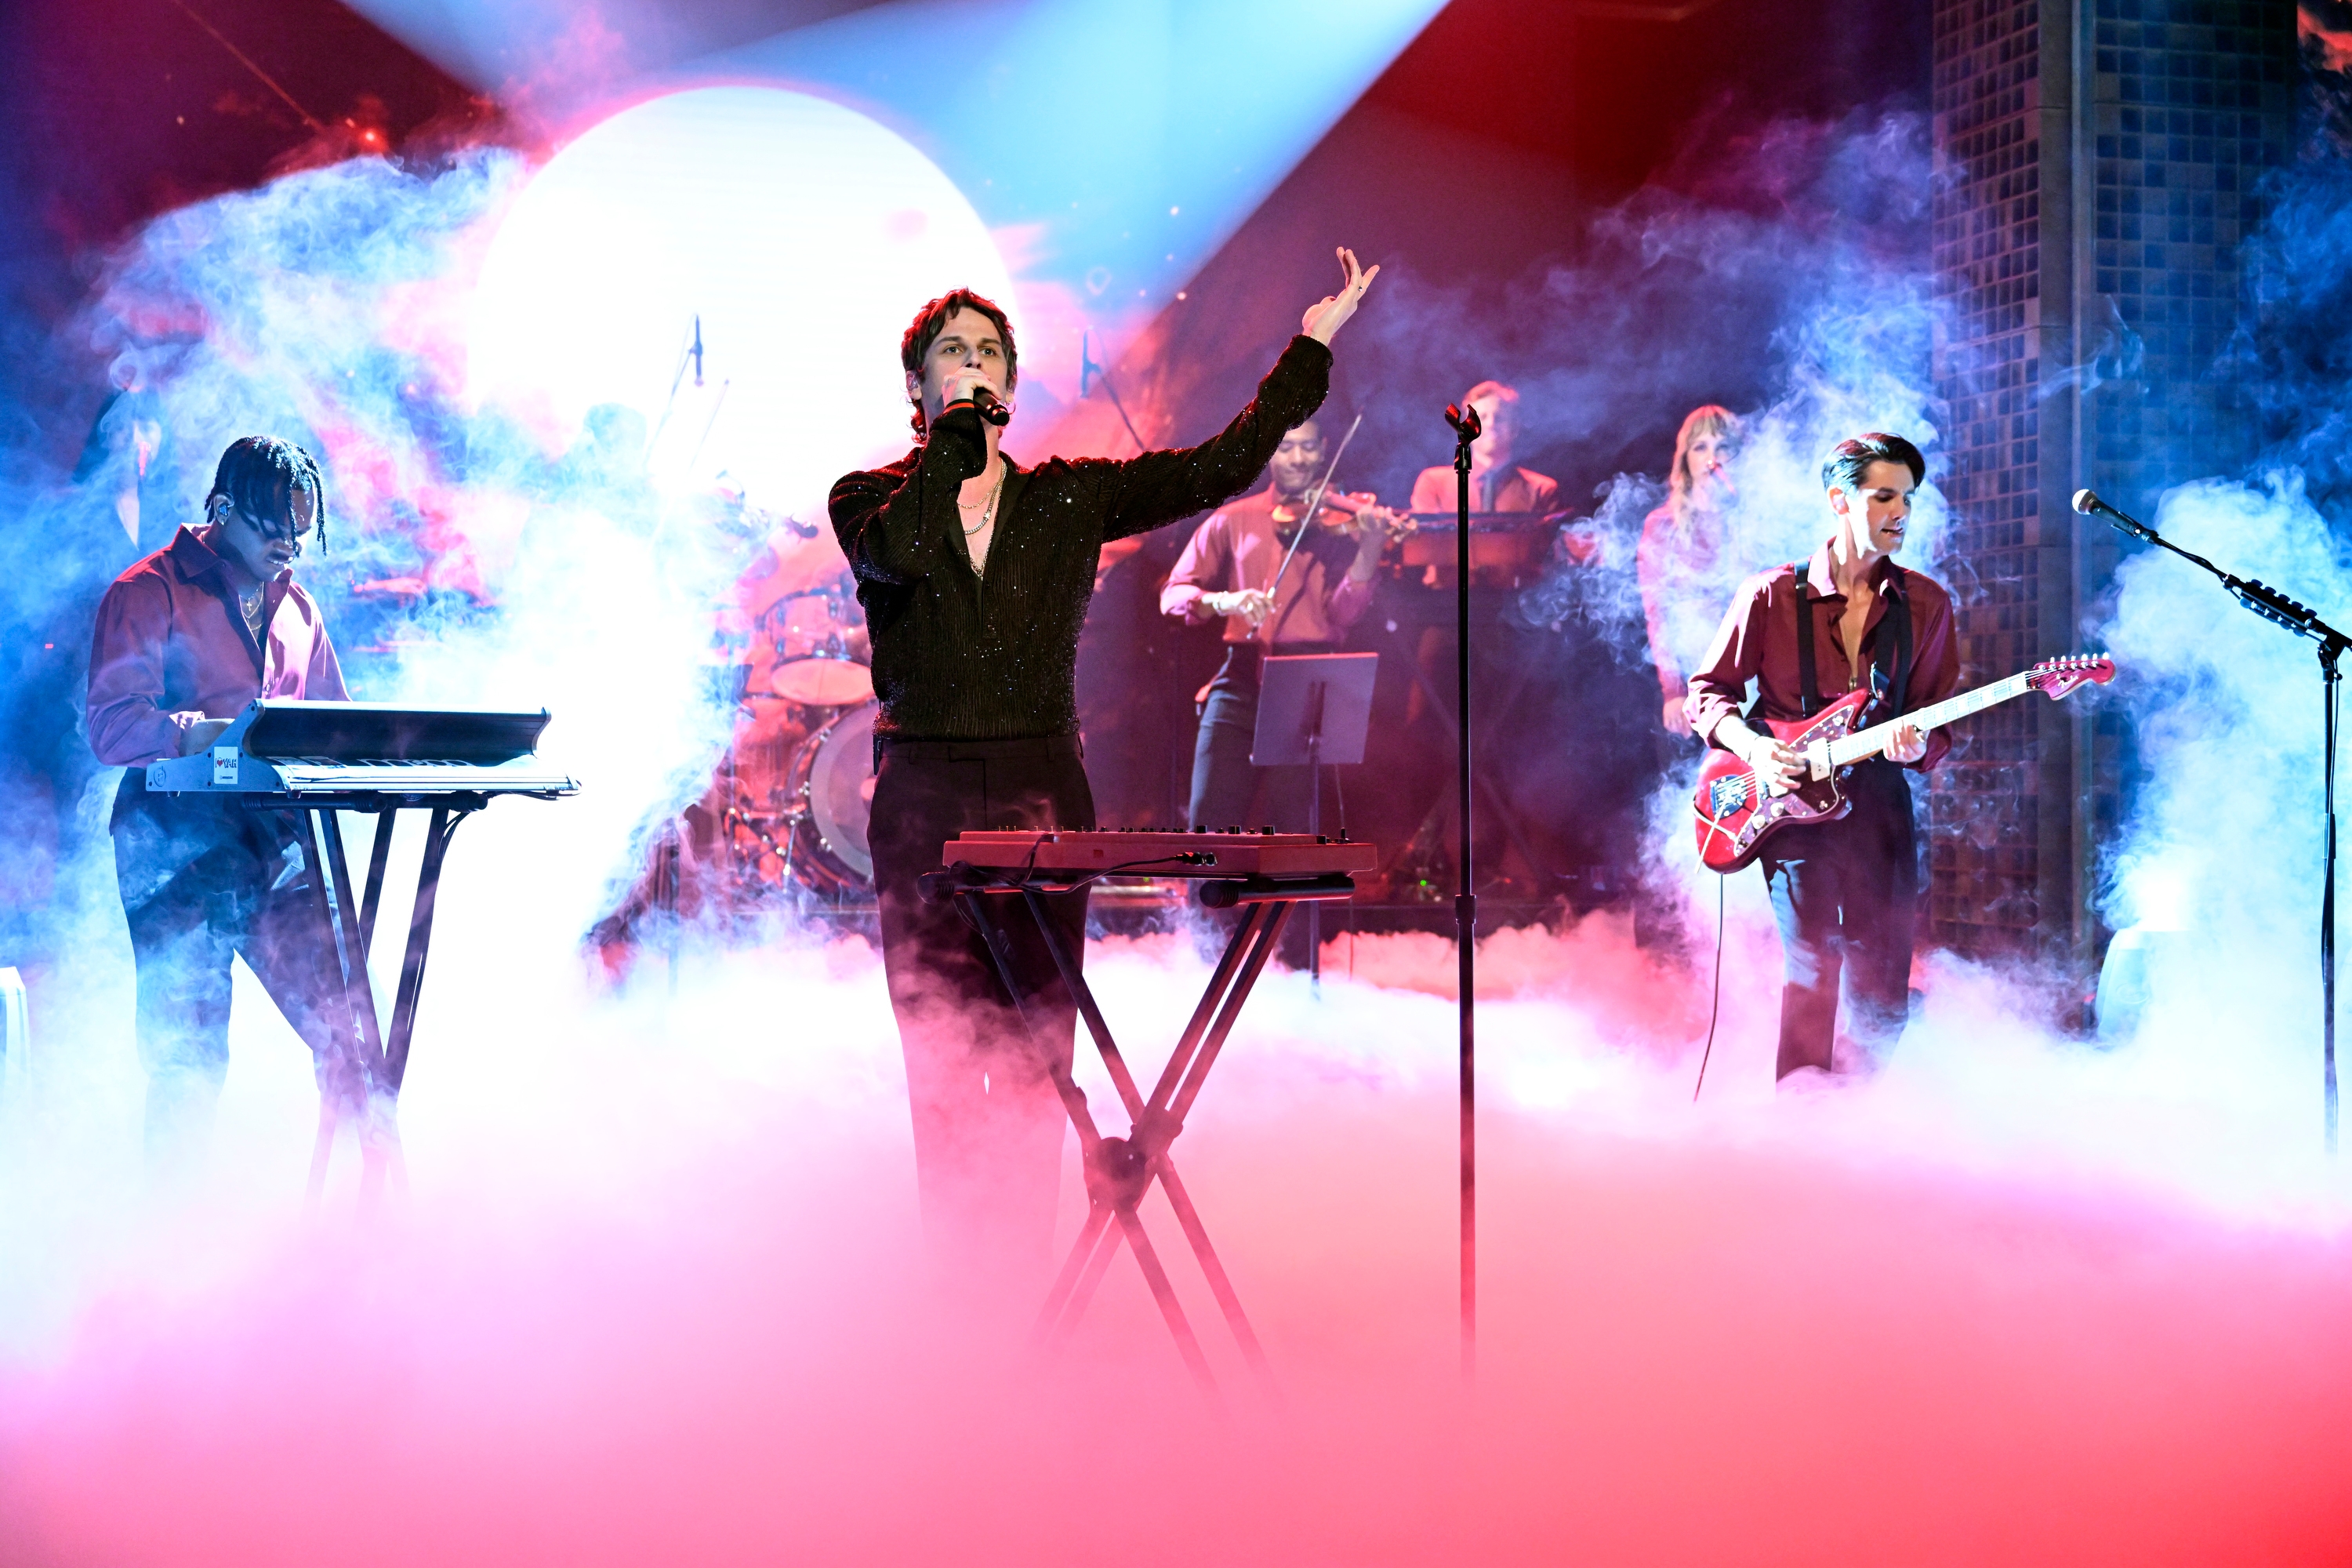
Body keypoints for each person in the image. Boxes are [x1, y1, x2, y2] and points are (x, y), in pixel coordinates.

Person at [831, 252, 1378, 1287]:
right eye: (952, 352)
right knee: (940, 1058)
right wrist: (953, 446)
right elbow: (899, 553)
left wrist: (1308, 350)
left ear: (1011, 380)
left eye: (988, 352)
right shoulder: (868, 499)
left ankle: (1021, 1295)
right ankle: (953, 1301)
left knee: (1036, 1054)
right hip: (922, 798)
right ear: (918, 383)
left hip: (1039, 789)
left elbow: (1218, 468)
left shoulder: (1067, 500)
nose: (972, 365)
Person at [85, 436, 358, 1171]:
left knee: (349, 1030)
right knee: (188, 1057)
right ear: (225, 508)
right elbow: (110, 725)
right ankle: (172, 1225)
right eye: (274, 526)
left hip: (276, 838)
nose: (289, 543)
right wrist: (193, 734)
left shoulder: (299, 609)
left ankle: (355, 1218)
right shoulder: (149, 590)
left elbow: (335, 725)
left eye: (301, 529)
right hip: (173, 842)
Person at [1683, 433, 1958, 1082]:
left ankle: (1854, 1119)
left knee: (1883, 987)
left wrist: (1919, 744)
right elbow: (1707, 693)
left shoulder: (1927, 604)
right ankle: (1801, 1120)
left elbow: (1936, 720)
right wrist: (1757, 748)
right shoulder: (1770, 594)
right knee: (1811, 970)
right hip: (1789, 807)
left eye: (1909, 499)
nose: (1901, 513)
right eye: (1884, 496)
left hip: (1880, 806)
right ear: (1840, 500)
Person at [1160, 413, 1403, 833]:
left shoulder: (1340, 523)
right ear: (1270, 453)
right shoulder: (1233, 518)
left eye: (1308, 447)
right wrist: (1224, 600)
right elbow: (1173, 594)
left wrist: (1370, 548)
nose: (1297, 459)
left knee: (1291, 830)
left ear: (1324, 451)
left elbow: (1343, 614)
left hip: (1305, 684)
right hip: (1239, 679)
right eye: (1286, 447)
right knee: (1208, 826)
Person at [1637, 405, 1743, 735]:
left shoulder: (1751, 518)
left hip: (1752, 677)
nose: (1713, 458)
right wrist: (1673, 691)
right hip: (1694, 675)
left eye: (1722, 447)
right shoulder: (1662, 524)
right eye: (1701, 447)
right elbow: (1658, 614)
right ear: (1686, 459)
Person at [1406, 380, 1558, 517]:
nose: (1490, 424)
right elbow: (1424, 537)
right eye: (1482, 418)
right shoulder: (1434, 484)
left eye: (1499, 417)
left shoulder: (1541, 490)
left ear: (1515, 428)